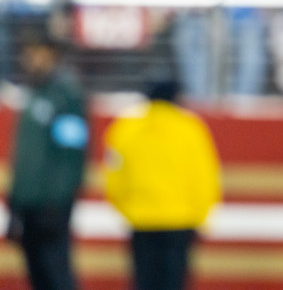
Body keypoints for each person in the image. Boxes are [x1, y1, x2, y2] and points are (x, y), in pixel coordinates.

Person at [103, 78, 221, 290]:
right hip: (180, 221)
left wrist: (126, 210)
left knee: (145, 282)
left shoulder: (125, 129)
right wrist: (201, 216)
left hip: (141, 220)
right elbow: (206, 176)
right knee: (173, 282)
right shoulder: (191, 128)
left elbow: (114, 176)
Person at [6, 24, 88, 290]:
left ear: (52, 54)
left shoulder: (64, 94)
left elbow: (72, 153)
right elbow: (25, 154)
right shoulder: (33, 93)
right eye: (27, 53)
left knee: (55, 272)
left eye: (36, 52)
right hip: (28, 203)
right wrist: (16, 200)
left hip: (51, 204)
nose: (30, 59)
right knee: (37, 273)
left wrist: (60, 197)